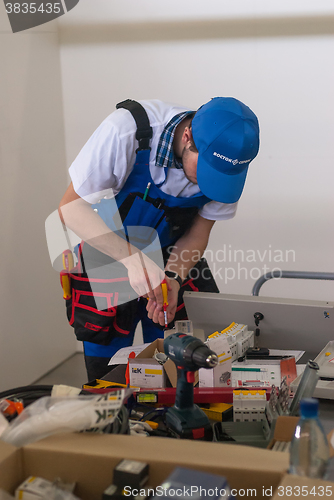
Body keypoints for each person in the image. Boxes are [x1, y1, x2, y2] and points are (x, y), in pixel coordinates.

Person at [59, 97, 260, 381]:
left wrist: (174, 277)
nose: (208, 185)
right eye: (205, 173)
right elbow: (70, 208)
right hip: (106, 251)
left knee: (186, 366)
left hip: (172, 258)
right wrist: (132, 260)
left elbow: (198, 233)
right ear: (188, 137)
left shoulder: (229, 166)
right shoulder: (127, 132)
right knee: (107, 377)